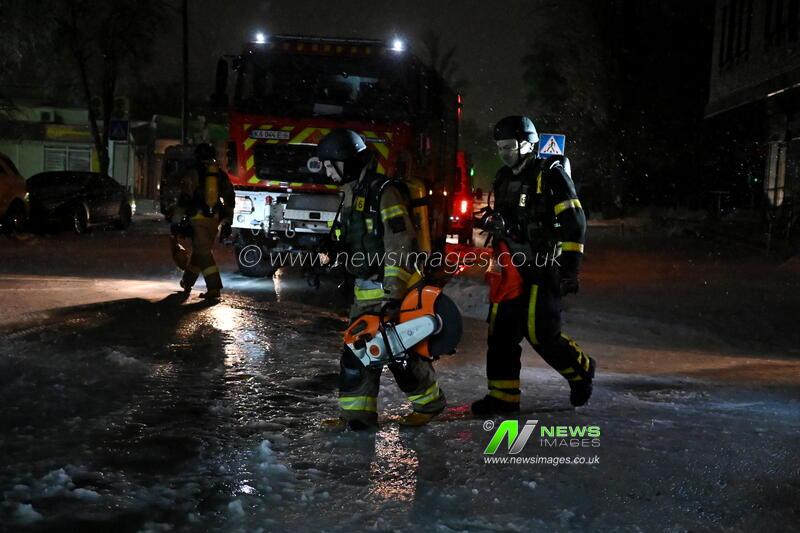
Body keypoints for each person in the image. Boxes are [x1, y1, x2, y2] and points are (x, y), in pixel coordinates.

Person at [318, 128, 446, 429]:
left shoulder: (384, 192)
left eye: (328, 165)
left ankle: (429, 404)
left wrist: (393, 295)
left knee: (400, 354)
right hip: (365, 291)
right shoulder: (352, 192)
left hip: (389, 290)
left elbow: (399, 245)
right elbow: (351, 235)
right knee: (358, 351)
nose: (326, 172)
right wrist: (332, 247)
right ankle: (356, 417)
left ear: (345, 161)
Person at [471, 116, 596, 415]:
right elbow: (510, 221)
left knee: (540, 332)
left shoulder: (550, 175)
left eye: (509, 146)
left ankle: (582, 370)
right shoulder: (502, 178)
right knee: (500, 332)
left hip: (543, 266)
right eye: (500, 147)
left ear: (527, 143)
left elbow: (575, 223)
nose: (504, 153)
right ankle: (503, 397)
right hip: (511, 268)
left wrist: (569, 269)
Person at [170, 143, 234, 300]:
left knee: (204, 253)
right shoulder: (220, 175)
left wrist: (176, 222)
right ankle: (187, 282)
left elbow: (184, 199)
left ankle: (214, 288)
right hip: (215, 219)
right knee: (200, 252)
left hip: (197, 218)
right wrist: (227, 221)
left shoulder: (192, 173)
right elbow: (230, 198)